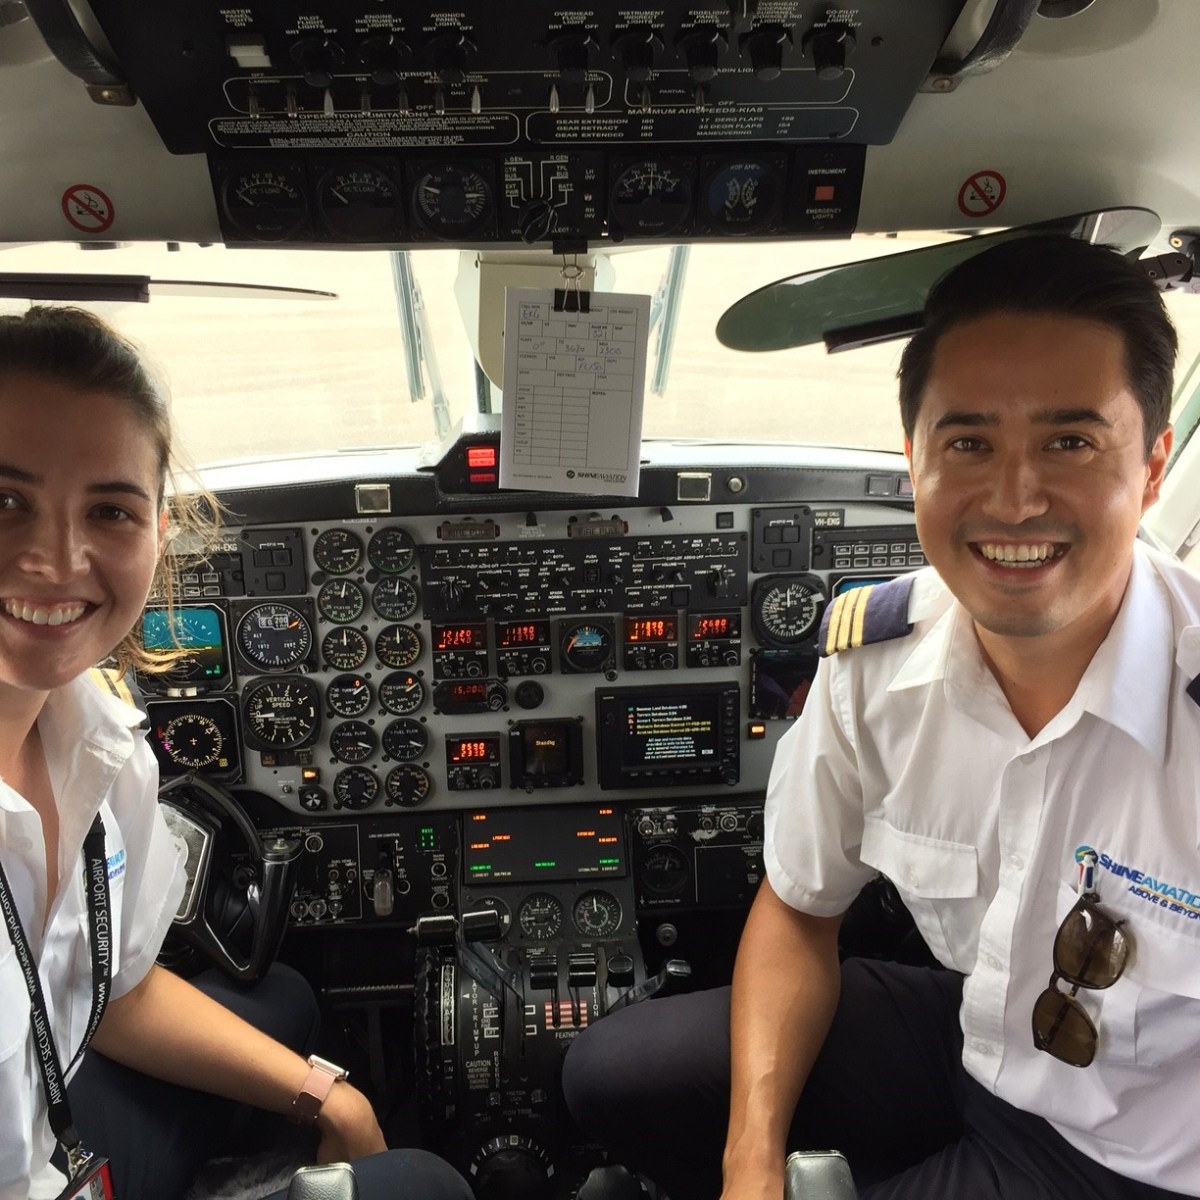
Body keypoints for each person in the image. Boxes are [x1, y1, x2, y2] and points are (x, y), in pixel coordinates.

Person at [562, 235, 1200, 1200]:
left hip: (1125, 1149)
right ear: (914, 461)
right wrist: (751, 1164)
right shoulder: (877, 662)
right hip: (976, 1032)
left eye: (1070, 442)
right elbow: (796, 907)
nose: (1016, 500)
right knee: (611, 1078)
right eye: (969, 443)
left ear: (1153, 467)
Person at [0, 306, 473, 1200]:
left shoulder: (100, 744)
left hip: (45, 1105)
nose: (56, 561)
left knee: (283, 1001)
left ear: (158, 530)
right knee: (421, 1185)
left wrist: (329, 1097)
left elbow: (117, 992)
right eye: (5, 499)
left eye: (108, 509)